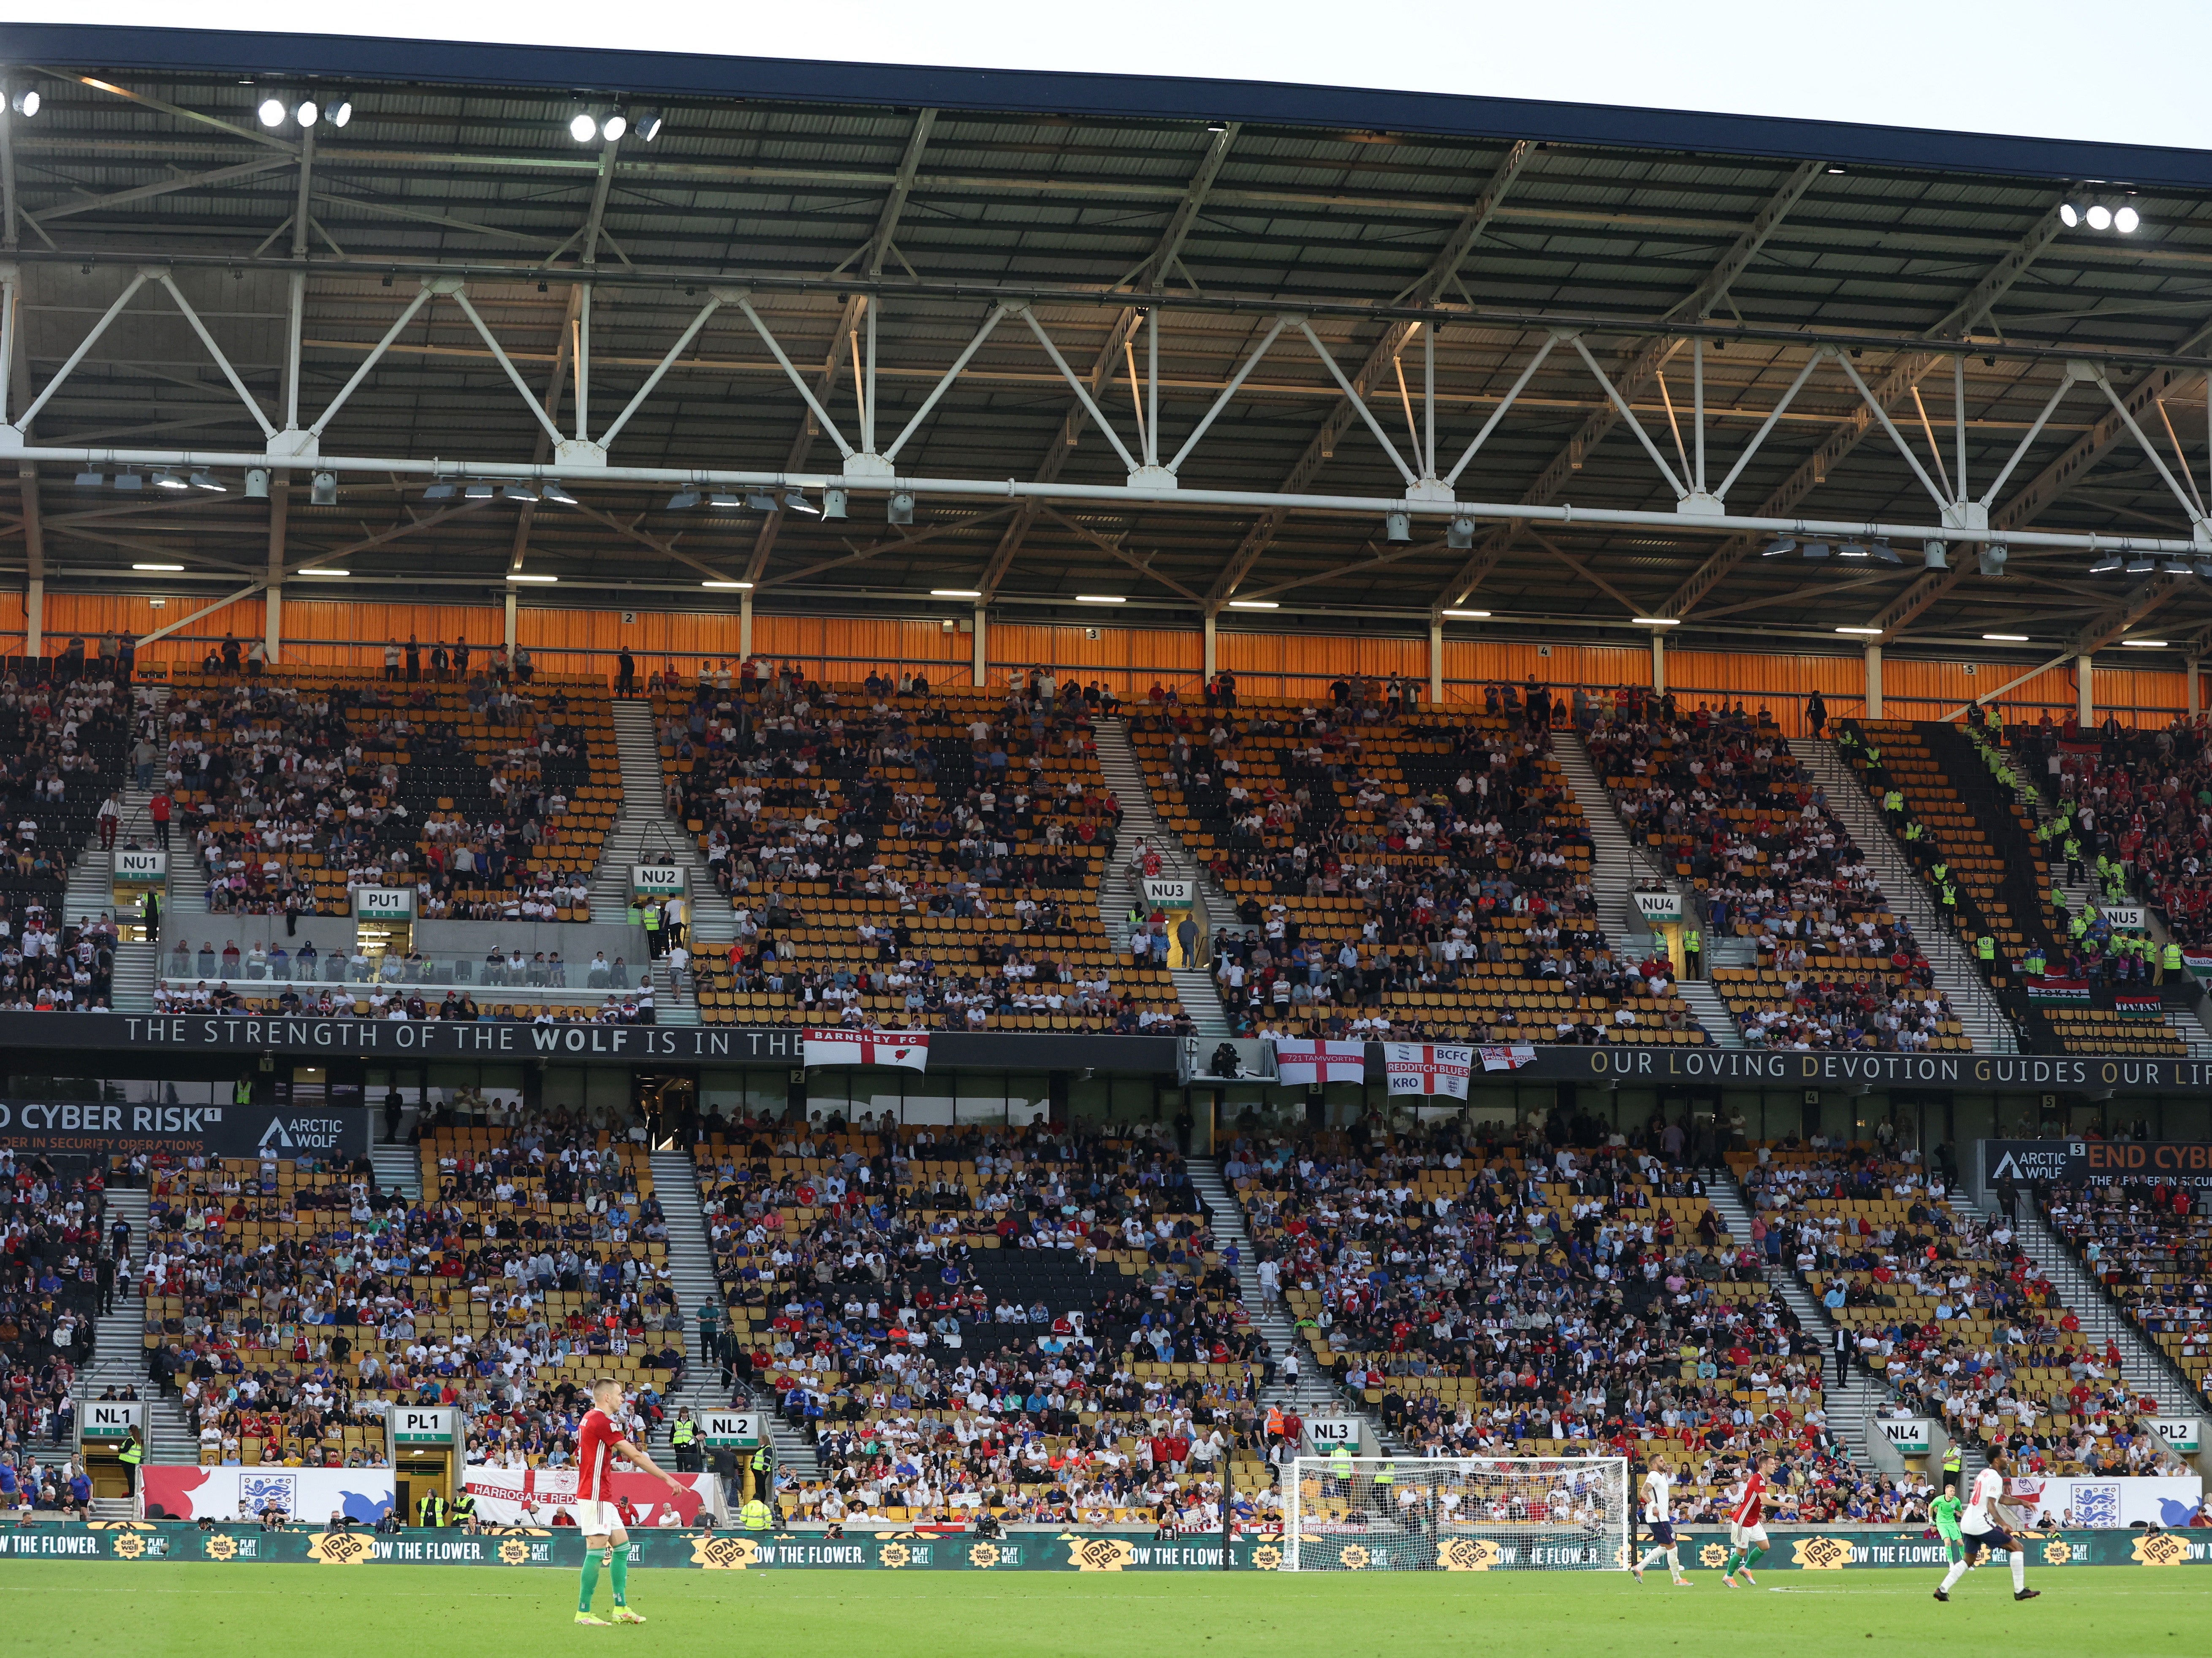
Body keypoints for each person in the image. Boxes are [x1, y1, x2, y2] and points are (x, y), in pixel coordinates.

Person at [573, 1377, 683, 1626]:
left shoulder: (590, 1418)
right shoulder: (601, 1420)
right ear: (607, 1397)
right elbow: (634, 1454)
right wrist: (668, 1479)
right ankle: (583, 1612)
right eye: (620, 1394)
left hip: (602, 1494)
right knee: (597, 1549)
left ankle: (621, 1607)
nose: (624, 1398)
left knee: (622, 1547)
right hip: (595, 1494)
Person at [1937, 1451, 2041, 1602]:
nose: (2008, 1459)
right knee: (2017, 1547)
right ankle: (2020, 1591)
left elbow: (1999, 1498)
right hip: (1980, 1522)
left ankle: (1942, 1590)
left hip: (1967, 1522)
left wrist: (2022, 1502)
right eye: (2005, 1456)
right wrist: (2003, 1523)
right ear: (1997, 1461)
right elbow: (1991, 1504)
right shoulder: (1995, 1478)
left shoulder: (1984, 1474)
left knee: (1969, 1559)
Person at [1631, 1457, 1691, 1587]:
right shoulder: (1654, 1475)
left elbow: (1665, 1495)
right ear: (1653, 1465)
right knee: (1672, 1547)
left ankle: (1639, 1568)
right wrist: (1653, 1506)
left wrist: (1678, 1496)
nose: (1664, 1463)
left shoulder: (1661, 1477)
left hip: (1660, 1517)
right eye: (1661, 1461)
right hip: (1658, 1518)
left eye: (1664, 1461)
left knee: (1664, 1547)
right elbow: (1643, 1492)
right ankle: (1677, 1579)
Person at [1718, 1454, 1774, 1587]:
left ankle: (1746, 1568)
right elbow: (1765, 1500)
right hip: (1743, 1520)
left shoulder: (1760, 1479)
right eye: (1772, 1464)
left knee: (1765, 1546)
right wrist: (1785, 1504)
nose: (1774, 1466)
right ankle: (1728, 1576)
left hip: (1753, 1519)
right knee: (1741, 1551)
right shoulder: (1758, 1479)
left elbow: (1753, 1500)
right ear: (1764, 1465)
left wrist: (1757, 1512)